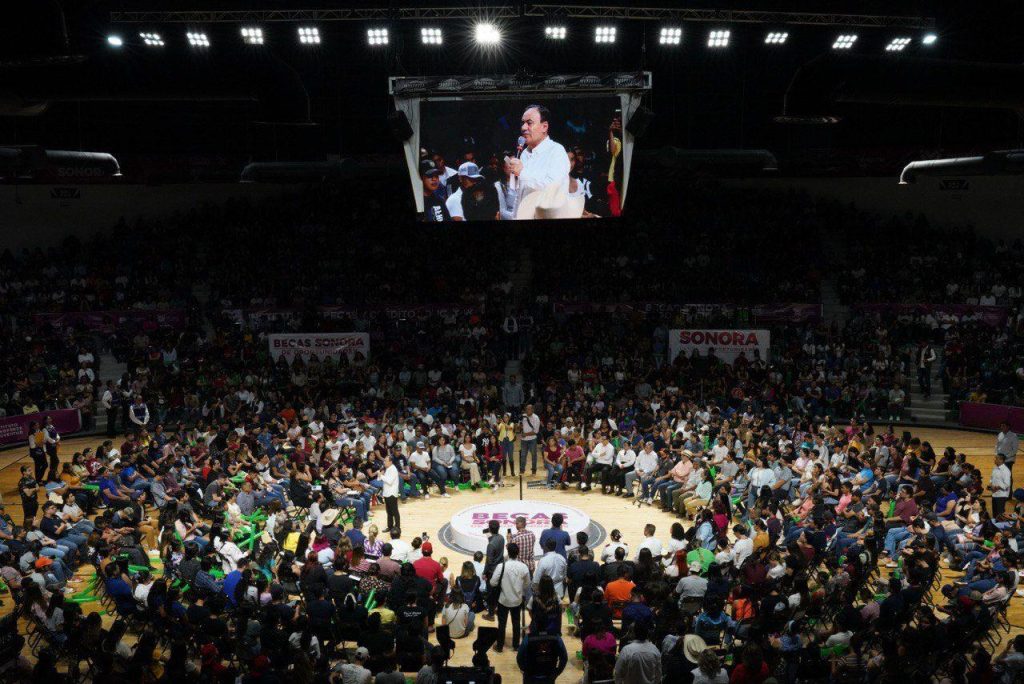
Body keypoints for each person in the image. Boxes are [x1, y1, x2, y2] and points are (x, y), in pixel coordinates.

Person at [507, 104, 571, 219]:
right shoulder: (524, 154)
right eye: (523, 123)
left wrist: (522, 172)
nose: (523, 127)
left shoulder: (556, 151)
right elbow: (520, 194)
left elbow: (552, 187)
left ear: (544, 127)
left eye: (529, 123)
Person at [489, 541, 530, 652]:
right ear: (518, 553)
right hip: (517, 600)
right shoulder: (524, 567)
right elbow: (527, 584)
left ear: (508, 552)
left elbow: (493, 583)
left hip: (503, 600)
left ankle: (500, 646)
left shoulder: (501, 566)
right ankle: (516, 645)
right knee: (516, 623)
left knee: (502, 624)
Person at [516, 612, 569, 684]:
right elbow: (564, 657)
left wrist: (525, 670)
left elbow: (519, 657)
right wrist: (557, 672)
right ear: (547, 624)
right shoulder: (556, 637)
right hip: (549, 676)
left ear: (535, 624)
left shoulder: (528, 638)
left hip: (531, 676)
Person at [381, 454, 401, 533]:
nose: (384, 462)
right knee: (389, 512)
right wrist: (380, 475)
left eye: (385, 461)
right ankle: (390, 526)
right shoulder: (388, 468)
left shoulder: (393, 469)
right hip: (387, 493)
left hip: (391, 493)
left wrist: (381, 476)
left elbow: (389, 481)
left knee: (394, 511)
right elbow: (382, 479)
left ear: (390, 462)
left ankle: (398, 527)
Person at [520, 405, 542, 475]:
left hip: (532, 439)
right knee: (523, 455)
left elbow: (536, 431)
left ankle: (534, 470)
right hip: (523, 440)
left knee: (533, 455)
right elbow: (520, 427)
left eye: (528, 409)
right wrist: (519, 427)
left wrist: (525, 434)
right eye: (526, 409)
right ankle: (522, 470)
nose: (527, 410)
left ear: (532, 410)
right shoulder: (523, 416)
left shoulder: (536, 418)